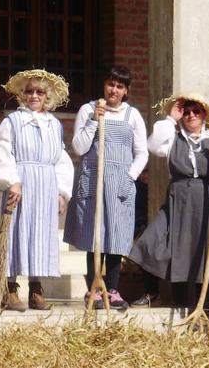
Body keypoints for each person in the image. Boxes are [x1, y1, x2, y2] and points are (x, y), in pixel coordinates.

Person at [129, 93, 209, 309]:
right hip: (178, 201)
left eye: (196, 111)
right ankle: (162, 296)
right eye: (186, 111)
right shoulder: (173, 138)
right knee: (154, 241)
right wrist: (171, 118)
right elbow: (154, 146)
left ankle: (204, 307)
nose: (191, 115)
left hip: (208, 201)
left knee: (205, 251)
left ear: (204, 115)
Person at [63, 66, 148, 310]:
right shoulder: (88, 110)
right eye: (111, 84)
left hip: (120, 180)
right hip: (93, 178)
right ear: (104, 85)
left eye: (120, 86)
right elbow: (79, 147)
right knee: (94, 234)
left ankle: (112, 289)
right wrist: (93, 121)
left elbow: (141, 153)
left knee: (115, 235)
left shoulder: (132, 115)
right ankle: (93, 289)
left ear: (126, 91)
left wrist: (129, 177)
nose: (114, 90)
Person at [0, 69, 75, 310]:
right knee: (16, 233)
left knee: (39, 235)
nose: (34, 96)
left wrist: (62, 193)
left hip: (45, 185)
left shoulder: (54, 125)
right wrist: (12, 181)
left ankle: (36, 290)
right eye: (29, 91)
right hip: (22, 182)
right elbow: (3, 152)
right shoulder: (13, 122)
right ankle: (9, 289)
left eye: (40, 92)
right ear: (22, 95)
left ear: (47, 96)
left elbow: (61, 159)